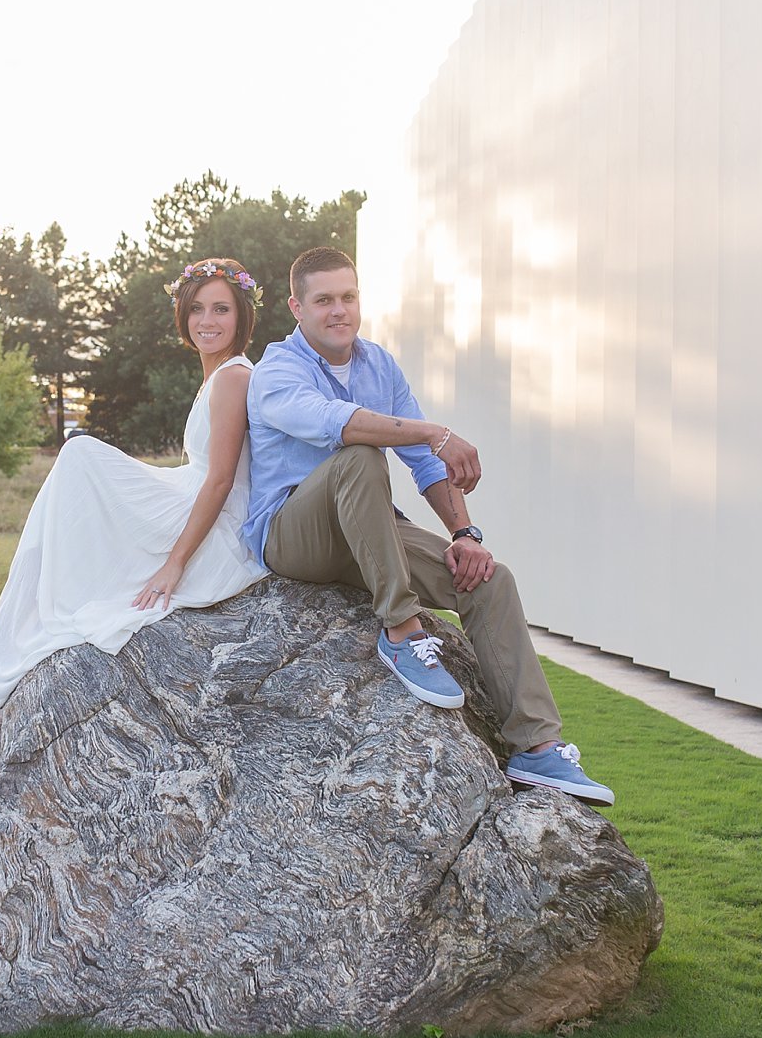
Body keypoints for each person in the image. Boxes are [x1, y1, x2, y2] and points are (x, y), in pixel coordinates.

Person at [241, 246, 615, 805]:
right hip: (295, 534)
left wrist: (466, 535)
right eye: (323, 300)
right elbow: (335, 424)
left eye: (348, 297)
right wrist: (433, 430)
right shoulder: (277, 371)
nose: (338, 310)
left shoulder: (379, 366)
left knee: (489, 580)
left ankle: (537, 750)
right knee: (360, 455)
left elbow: (424, 464)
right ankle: (401, 630)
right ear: (297, 307)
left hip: (369, 531)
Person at [0, 258, 270, 708]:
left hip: (217, 524)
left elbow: (220, 480)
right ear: (183, 315)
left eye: (221, 309)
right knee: (71, 491)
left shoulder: (234, 376)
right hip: (192, 495)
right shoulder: (217, 375)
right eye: (196, 309)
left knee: (79, 458)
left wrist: (175, 564)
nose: (207, 321)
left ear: (242, 316)